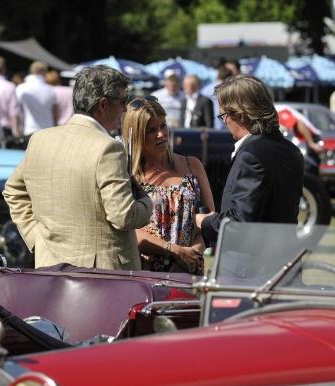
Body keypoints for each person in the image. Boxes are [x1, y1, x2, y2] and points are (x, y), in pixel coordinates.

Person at [3, 65, 152, 270]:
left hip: (50, 267)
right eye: (122, 101)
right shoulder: (109, 148)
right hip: (103, 277)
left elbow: (12, 190)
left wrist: (36, 237)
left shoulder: (40, 140)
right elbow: (123, 216)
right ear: (102, 104)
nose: (125, 109)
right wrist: (147, 203)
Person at [196, 74, 304, 247]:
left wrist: (205, 222)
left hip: (249, 266)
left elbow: (240, 223)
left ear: (240, 114)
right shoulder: (292, 150)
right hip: (285, 260)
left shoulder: (251, 155)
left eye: (223, 115)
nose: (224, 121)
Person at [123, 96, 214, 275]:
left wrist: (192, 253)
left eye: (163, 125)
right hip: (146, 274)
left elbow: (210, 219)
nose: (161, 134)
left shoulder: (192, 165)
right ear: (137, 134)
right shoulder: (128, 174)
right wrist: (176, 251)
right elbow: (127, 229)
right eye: (151, 130)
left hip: (189, 271)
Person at [15, 61, 58, 136]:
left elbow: (16, 111)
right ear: (44, 72)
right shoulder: (51, 90)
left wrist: (16, 132)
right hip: (48, 130)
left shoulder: (21, 88)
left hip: (29, 130)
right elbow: (54, 113)